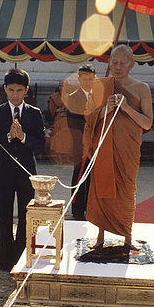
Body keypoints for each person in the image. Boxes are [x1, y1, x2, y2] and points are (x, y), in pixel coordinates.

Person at [83, 44, 153, 248]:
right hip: (105, 148)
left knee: (126, 190)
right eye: (114, 62)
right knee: (104, 190)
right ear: (109, 63)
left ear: (132, 64)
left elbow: (147, 123)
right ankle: (100, 238)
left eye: (123, 62)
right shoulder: (100, 86)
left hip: (128, 150)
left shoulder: (142, 88)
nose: (118, 66)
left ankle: (128, 238)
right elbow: (88, 117)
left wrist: (126, 107)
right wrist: (105, 109)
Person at [0, 68, 45, 271]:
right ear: (5, 89)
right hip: (3, 174)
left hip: (26, 174)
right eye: (11, 90)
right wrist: (9, 137)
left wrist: (24, 137)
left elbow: (41, 145)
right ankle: (4, 261)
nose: (15, 94)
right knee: (4, 218)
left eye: (19, 90)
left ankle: (21, 258)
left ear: (26, 90)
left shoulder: (35, 114)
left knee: (25, 217)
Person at [66, 63, 95, 220]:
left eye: (90, 79)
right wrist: (85, 139)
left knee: (93, 177)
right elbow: (72, 123)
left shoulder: (99, 97)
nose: (88, 82)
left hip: (95, 144)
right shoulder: (73, 97)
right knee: (79, 175)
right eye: (84, 79)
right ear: (79, 79)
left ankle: (90, 208)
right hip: (80, 143)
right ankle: (77, 211)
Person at [48, 82, 73, 164]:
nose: (62, 87)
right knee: (58, 141)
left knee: (69, 141)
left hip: (69, 121)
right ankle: (59, 159)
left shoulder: (71, 96)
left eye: (63, 86)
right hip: (59, 120)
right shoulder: (54, 97)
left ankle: (68, 159)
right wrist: (60, 110)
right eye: (60, 86)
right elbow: (52, 111)